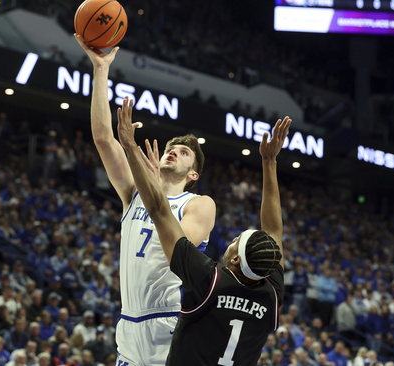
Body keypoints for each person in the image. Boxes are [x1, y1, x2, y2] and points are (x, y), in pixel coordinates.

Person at [75, 35, 216, 366]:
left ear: (192, 174)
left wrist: (144, 172)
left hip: (165, 322)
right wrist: (100, 69)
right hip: (127, 324)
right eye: (171, 148)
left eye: (183, 154)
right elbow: (102, 139)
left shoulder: (199, 204)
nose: (173, 152)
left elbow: (178, 250)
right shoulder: (133, 194)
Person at [117, 95, 290, 365]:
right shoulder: (271, 297)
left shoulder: (209, 281)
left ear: (234, 259)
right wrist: (269, 162)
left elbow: (161, 213)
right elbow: (274, 231)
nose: (231, 240)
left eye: (236, 241)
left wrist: (129, 146)